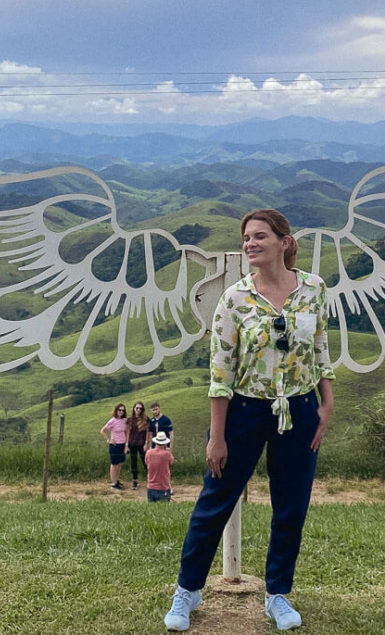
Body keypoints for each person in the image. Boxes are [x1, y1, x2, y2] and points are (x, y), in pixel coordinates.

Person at [163, 208, 335, 632]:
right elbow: (220, 372)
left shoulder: (314, 288)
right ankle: (188, 590)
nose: (250, 244)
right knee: (214, 502)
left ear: (284, 241)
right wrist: (216, 436)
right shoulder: (235, 299)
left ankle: (277, 594)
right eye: (246, 239)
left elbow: (320, 346)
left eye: (260, 236)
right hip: (243, 409)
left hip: (299, 407)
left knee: (291, 505)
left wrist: (326, 403)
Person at [100, 403, 128, 490]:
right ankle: (113, 483)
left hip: (122, 445)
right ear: (116, 411)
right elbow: (102, 431)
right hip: (114, 445)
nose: (121, 412)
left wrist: (126, 445)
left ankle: (117, 480)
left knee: (120, 463)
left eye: (123, 410)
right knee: (114, 464)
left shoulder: (124, 421)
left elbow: (126, 432)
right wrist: (108, 440)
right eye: (119, 410)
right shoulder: (112, 420)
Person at [145, 431, 175, 502]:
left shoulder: (149, 453)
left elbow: (146, 462)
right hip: (163, 487)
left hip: (151, 487)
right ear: (165, 443)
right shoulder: (166, 454)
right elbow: (171, 461)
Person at [126, 401, 149, 490]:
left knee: (145, 462)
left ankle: (150, 480)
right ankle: (135, 481)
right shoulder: (130, 419)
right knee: (133, 463)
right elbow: (128, 432)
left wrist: (146, 443)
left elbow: (147, 432)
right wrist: (126, 444)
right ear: (134, 408)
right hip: (132, 443)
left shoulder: (145, 419)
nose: (138, 410)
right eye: (137, 408)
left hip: (142, 444)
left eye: (140, 408)